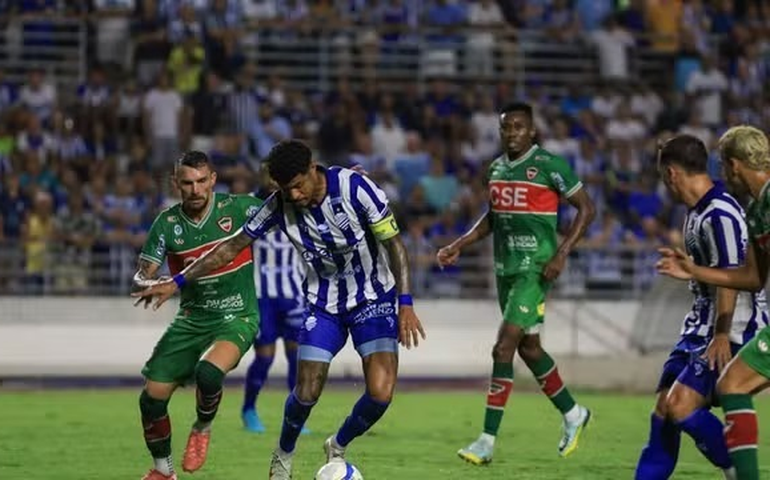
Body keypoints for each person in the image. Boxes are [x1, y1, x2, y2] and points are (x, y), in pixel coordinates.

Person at [133, 139, 426, 480]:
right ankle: (283, 456)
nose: (295, 196)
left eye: (299, 186)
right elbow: (230, 248)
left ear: (312, 168)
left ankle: (338, 444)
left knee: (380, 394)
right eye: (286, 189)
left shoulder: (355, 188)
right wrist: (177, 281)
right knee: (306, 390)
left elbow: (395, 244)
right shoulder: (278, 204)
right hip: (323, 302)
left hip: (374, 299)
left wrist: (405, 304)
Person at [436, 102, 596, 464]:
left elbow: (587, 208)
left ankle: (486, 441)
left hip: (536, 267)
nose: (512, 133)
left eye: (519, 127)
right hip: (505, 268)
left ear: (532, 131)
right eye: (506, 127)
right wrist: (458, 244)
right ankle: (574, 414)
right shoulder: (495, 170)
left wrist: (561, 253)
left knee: (503, 347)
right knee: (530, 349)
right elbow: (493, 217)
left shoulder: (551, 166)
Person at [635, 134, 769, 480]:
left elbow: (731, 274)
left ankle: (737, 470)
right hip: (699, 326)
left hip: (732, 326)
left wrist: (721, 334)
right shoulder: (698, 213)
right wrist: (692, 272)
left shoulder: (721, 212)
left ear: (671, 174)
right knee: (664, 410)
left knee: (679, 405)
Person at [132, 151, 263, 480]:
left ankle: (202, 428)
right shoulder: (167, 224)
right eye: (187, 183)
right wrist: (148, 282)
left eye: (202, 181)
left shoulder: (240, 208)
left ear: (213, 180)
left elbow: (286, 199)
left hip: (238, 314)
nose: (195, 190)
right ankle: (164, 471)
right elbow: (142, 273)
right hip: (192, 319)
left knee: (208, 373)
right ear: (176, 184)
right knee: (151, 398)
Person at [241, 167, 307, 434]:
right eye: (268, 176)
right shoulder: (249, 206)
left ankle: (294, 418)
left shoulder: (298, 203)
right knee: (265, 357)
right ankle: (249, 410)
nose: (272, 181)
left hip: (293, 294)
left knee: (297, 357)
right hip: (261, 294)